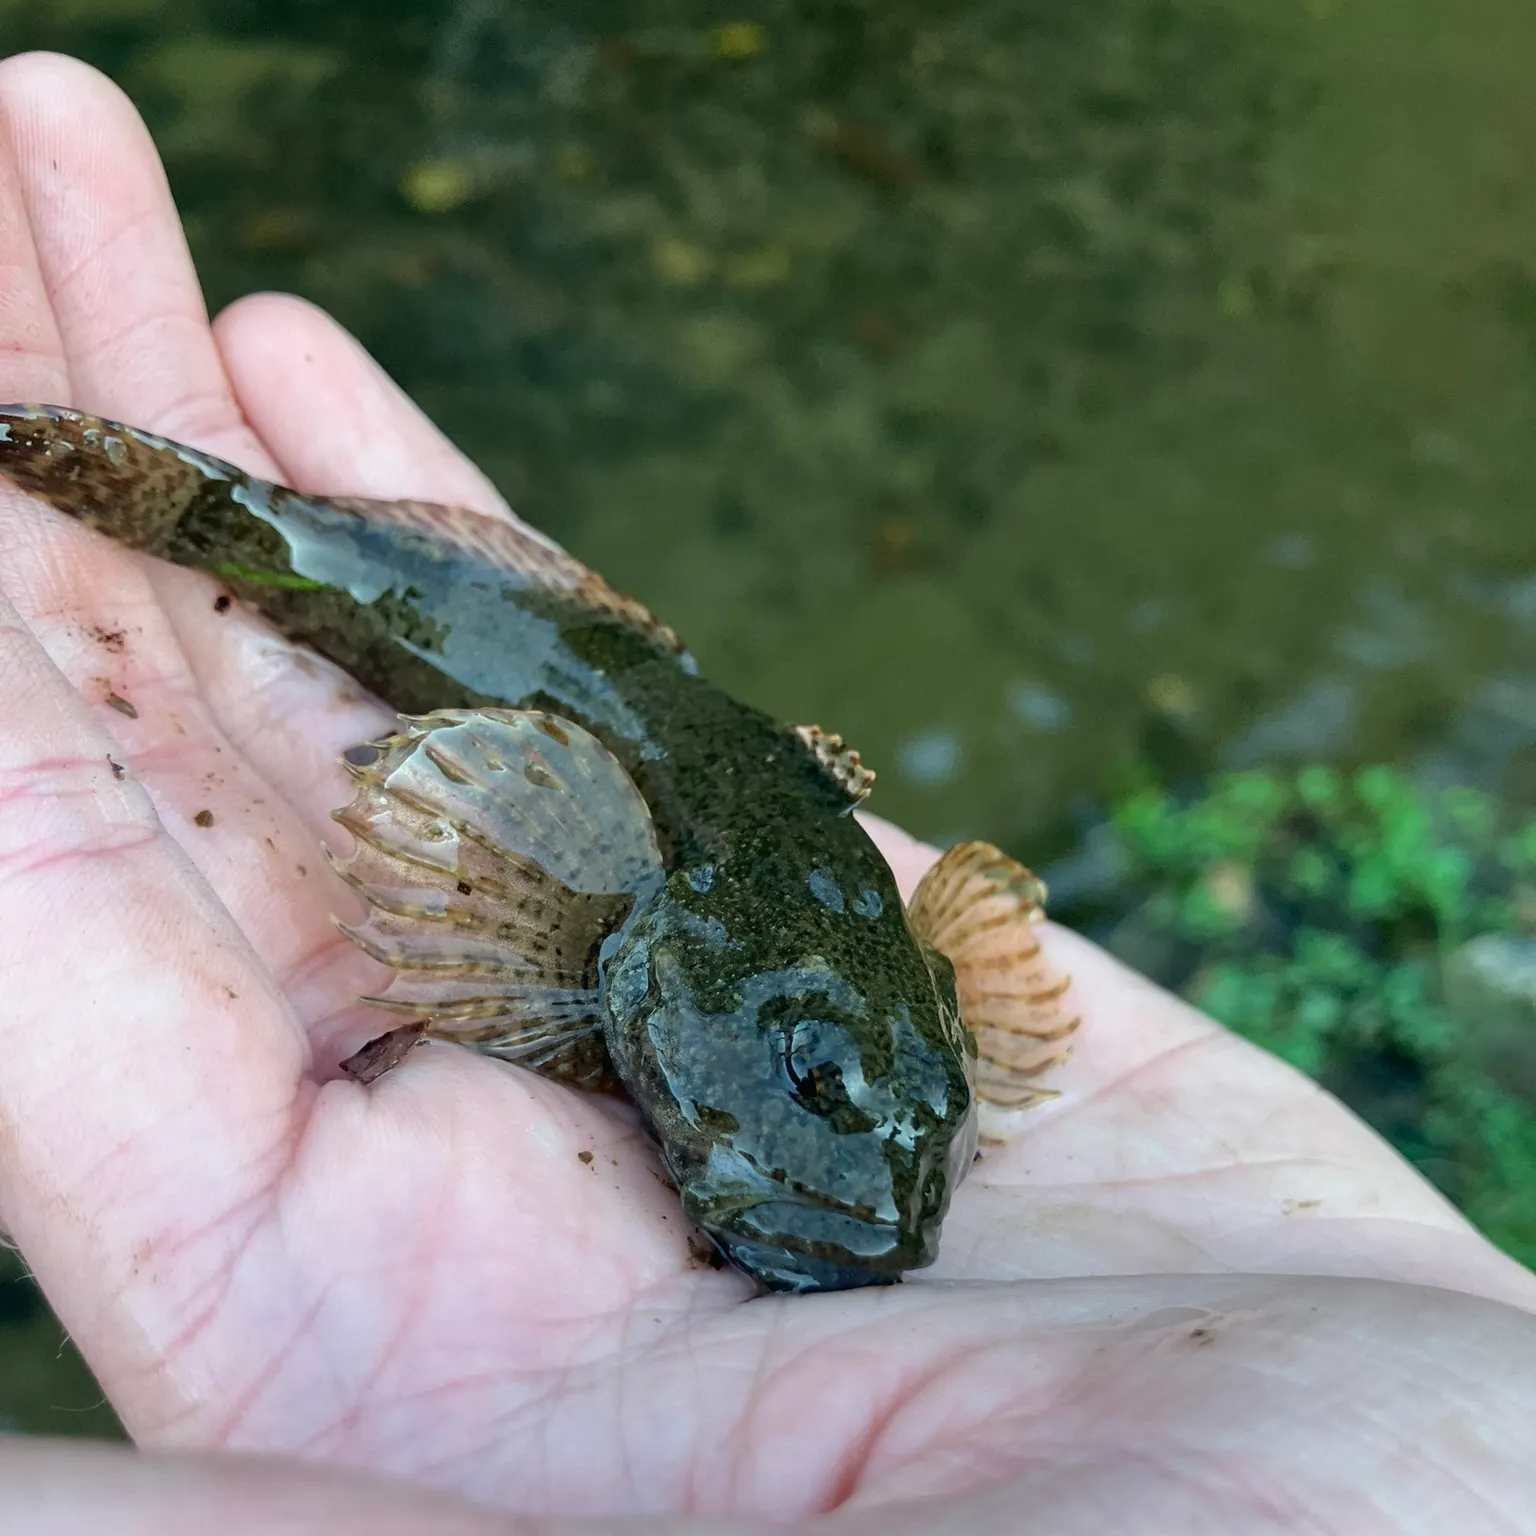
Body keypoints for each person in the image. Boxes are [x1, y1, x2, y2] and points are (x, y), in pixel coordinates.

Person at [0, 50, 1531, 1536]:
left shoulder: (871, 1062)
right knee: (264, 538)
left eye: (916, 1119)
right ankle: (110, 479)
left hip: (654, 749)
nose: (882, 1190)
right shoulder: (619, 929)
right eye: (821, 1082)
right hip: (522, 650)